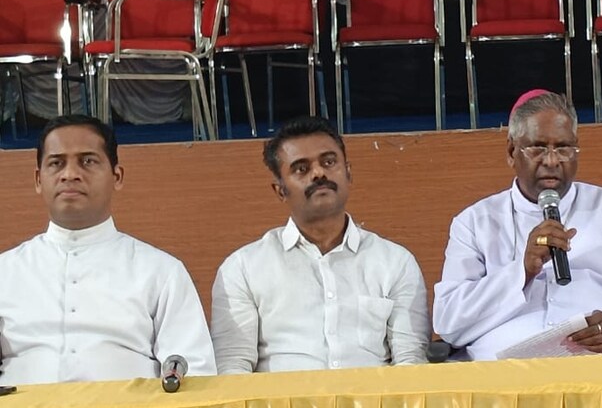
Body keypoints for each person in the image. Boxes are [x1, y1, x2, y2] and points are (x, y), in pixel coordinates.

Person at [432, 90, 602, 360]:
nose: (551, 160)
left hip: (599, 365)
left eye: (563, 148)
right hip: (504, 373)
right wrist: (521, 271)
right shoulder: (474, 222)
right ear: (512, 151)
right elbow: (448, 321)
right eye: (537, 148)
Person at [0, 115, 215, 385]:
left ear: (117, 176)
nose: (70, 174)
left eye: (88, 161)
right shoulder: (5, 272)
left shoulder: (161, 271)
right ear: (38, 179)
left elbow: (194, 372)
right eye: (56, 163)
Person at [210, 116, 429, 373]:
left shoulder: (395, 262)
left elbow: (411, 364)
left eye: (329, 162)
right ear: (280, 190)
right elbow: (232, 368)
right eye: (301, 169)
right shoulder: (244, 268)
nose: (319, 173)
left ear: (348, 172)